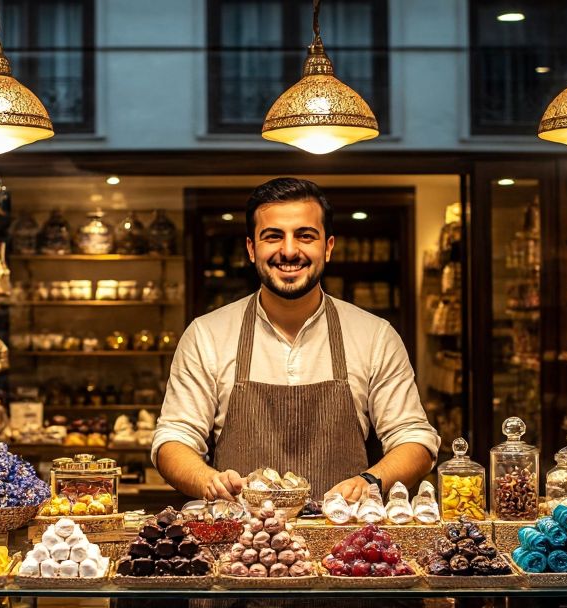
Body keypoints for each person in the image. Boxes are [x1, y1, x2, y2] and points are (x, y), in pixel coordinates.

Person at [152, 177, 440, 506]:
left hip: (344, 545)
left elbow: (415, 438)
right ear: (251, 249)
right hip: (240, 546)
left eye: (305, 236)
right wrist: (208, 480)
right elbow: (173, 439)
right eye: (273, 236)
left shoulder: (374, 335)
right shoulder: (207, 335)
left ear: (328, 247)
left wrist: (370, 481)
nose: (289, 251)